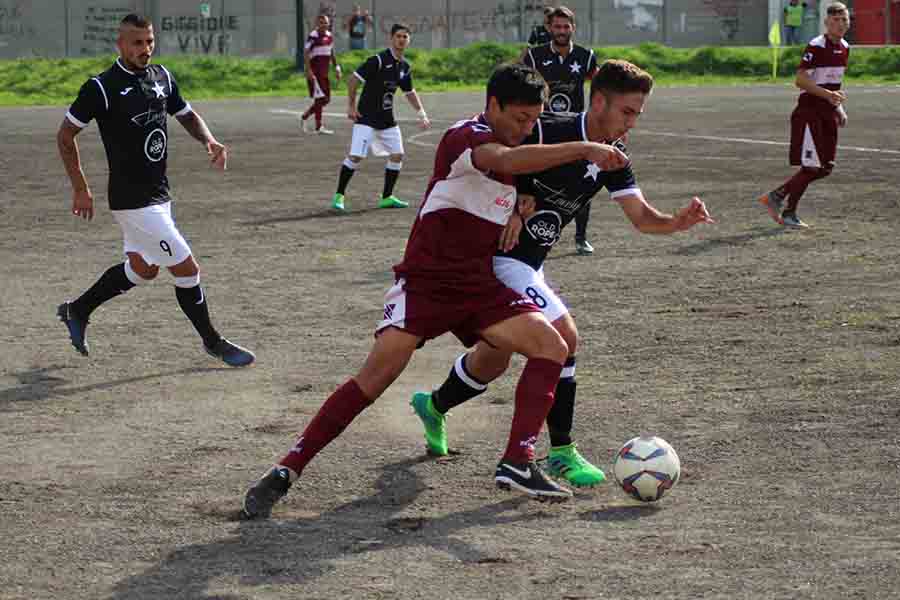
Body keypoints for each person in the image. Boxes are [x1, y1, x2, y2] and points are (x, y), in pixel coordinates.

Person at [242, 63, 630, 519]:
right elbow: (502, 162)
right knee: (374, 379)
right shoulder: (465, 136)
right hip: (427, 283)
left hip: (480, 285)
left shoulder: (515, 149)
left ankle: (518, 460)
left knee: (553, 346)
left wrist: (524, 204)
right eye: (521, 119)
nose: (528, 129)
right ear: (493, 105)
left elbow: (517, 174)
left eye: (533, 120)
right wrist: (584, 148)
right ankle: (286, 469)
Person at [410, 59, 713, 488]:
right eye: (626, 112)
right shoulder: (544, 129)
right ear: (600, 101)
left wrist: (676, 222)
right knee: (565, 337)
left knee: (492, 360)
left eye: (637, 115)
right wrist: (517, 197)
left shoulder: (614, 158)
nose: (631, 123)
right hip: (496, 260)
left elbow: (642, 218)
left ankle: (434, 405)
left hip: (526, 265)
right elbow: (496, 161)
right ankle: (560, 452)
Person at [55, 13, 254, 368]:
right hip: (132, 201)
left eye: (149, 41)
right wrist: (80, 187)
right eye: (137, 42)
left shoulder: (161, 76)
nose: (145, 49)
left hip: (160, 195)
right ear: (120, 44)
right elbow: (65, 134)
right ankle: (213, 341)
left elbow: (187, 114)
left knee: (143, 270)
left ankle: (77, 309)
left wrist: (209, 140)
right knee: (187, 268)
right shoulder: (101, 87)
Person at [759, 2, 850, 229]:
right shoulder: (816, 45)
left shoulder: (845, 47)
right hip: (809, 112)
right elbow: (800, 80)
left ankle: (776, 196)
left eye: (845, 19)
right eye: (836, 20)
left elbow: (834, 83)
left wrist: (837, 106)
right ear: (827, 22)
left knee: (825, 167)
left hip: (827, 111)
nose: (841, 24)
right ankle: (789, 213)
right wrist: (828, 96)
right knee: (811, 166)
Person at [523, 6, 599, 256]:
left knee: (582, 182)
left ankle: (581, 237)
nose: (562, 31)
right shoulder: (535, 56)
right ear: (549, 28)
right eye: (557, 26)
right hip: (544, 126)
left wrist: (601, 119)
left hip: (577, 127)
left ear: (573, 28)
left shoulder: (585, 56)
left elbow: (599, 88)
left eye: (566, 27)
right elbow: (521, 84)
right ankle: (531, 233)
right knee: (535, 179)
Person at [331, 23, 430, 211]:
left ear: (409, 40)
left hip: (386, 120)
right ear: (391, 39)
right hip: (366, 117)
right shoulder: (378, 60)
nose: (401, 40)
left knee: (397, 155)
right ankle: (339, 196)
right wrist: (351, 106)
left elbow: (409, 91)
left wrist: (421, 113)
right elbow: (353, 80)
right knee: (356, 156)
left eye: (405, 37)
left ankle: (387, 197)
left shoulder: (404, 66)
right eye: (398, 36)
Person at [301, 14, 341, 135]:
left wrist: (337, 67)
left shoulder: (329, 36)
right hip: (315, 73)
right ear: (317, 24)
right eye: (321, 22)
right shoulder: (313, 36)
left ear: (328, 24)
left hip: (325, 73)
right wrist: (308, 70)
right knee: (320, 98)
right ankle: (318, 126)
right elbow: (306, 52)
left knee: (326, 99)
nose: (323, 24)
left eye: (325, 22)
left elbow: (331, 52)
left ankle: (305, 116)